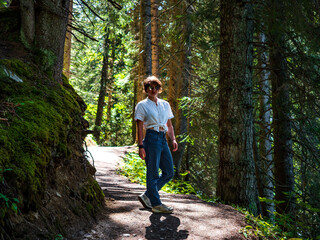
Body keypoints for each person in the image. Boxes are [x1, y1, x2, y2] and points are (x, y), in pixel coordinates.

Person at [134, 76, 178, 214]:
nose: (153, 90)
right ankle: (156, 204)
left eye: (156, 88)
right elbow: (140, 126)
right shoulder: (142, 105)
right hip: (151, 139)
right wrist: (141, 146)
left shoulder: (165, 104)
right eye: (150, 88)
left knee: (169, 172)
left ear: (159, 89)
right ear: (146, 89)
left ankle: (148, 196)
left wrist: (173, 139)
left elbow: (169, 124)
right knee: (152, 173)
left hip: (163, 139)